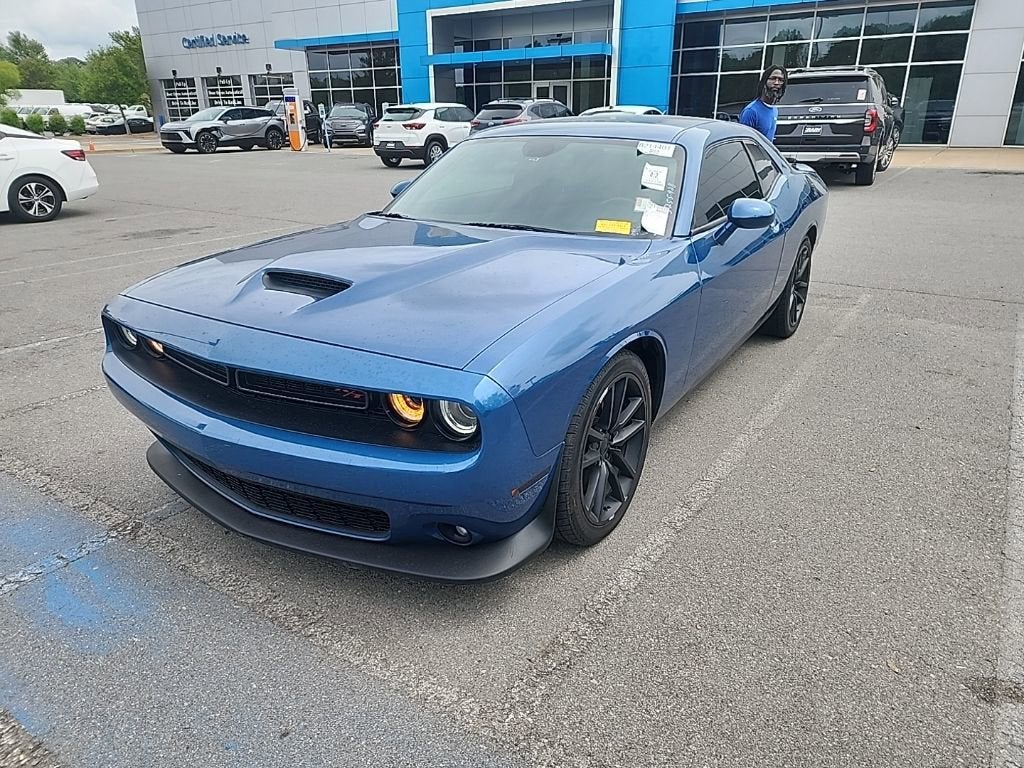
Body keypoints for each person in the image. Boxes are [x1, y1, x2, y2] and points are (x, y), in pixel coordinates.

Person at [739, 66, 788, 142]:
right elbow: (744, 142)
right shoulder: (751, 111)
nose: (776, 83)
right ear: (764, 81)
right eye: (773, 78)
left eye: (781, 80)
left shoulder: (774, 110)